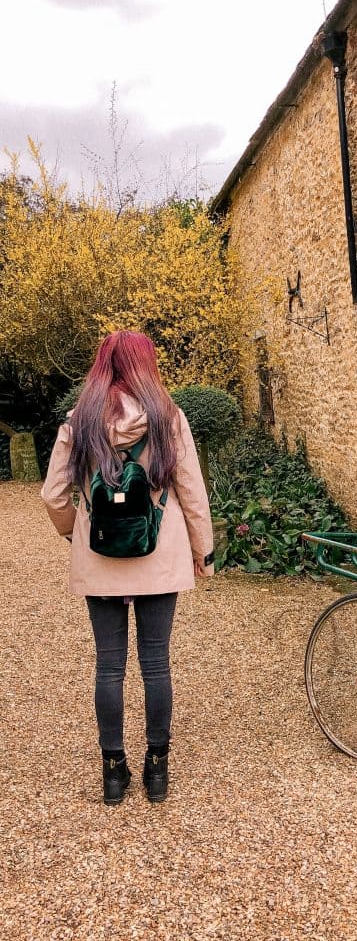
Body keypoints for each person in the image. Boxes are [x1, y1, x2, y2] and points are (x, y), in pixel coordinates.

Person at [41, 331, 214, 806]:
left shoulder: (80, 422)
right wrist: (204, 551)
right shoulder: (167, 419)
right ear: (146, 364)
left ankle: (113, 772)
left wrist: (74, 533)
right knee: (156, 662)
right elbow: (193, 492)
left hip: (100, 558)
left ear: (101, 366)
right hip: (159, 553)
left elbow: (54, 496)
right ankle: (157, 768)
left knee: (109, 665)